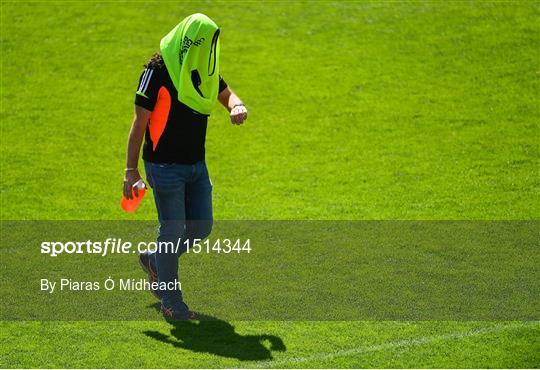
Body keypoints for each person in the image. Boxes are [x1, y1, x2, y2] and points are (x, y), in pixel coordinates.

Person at [123, 13, 247, 320]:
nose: (209, 49)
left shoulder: (202, 69)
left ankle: (155, 261)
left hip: (195, 166)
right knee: (173, 230)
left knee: (201, 227)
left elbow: (225, 92)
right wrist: (130, 171)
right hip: (164, 168)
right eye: (205, 42)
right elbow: (139, 124)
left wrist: (236, 105)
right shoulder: (156, 72)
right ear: (189, 40)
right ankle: (171, 301)